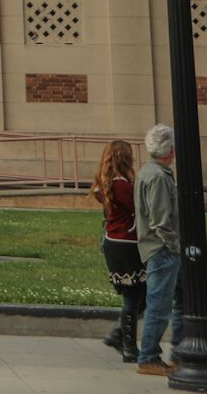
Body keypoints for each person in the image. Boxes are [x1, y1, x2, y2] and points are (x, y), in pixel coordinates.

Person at [135, 124, 183, 374]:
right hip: (162, 250)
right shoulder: (158, 177)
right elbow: (160, 221)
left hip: (159, 249)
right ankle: (149, 357)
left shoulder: (150, 172)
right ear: (170, 150)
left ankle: (181, 351)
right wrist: (176, 247)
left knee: (179, 299)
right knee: (160, 303)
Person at [93, 139, 145, 362]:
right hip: (127, 244)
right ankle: (127, 345)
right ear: (124, 158)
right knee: (135, 295)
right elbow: (140, 208)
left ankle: (121, 336)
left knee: (136, 294)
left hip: (115, 243)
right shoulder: (121, 185)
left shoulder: (104, 183)